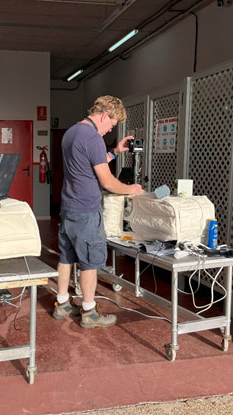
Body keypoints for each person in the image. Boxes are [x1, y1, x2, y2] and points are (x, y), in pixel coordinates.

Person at [53, 95, 144, 329]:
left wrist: (115, 151)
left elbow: (91, 162)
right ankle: (89, 312)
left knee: (66, 257)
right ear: (105, 116)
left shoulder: (72, 133)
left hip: (69, 208)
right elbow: (108, 182)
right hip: (86, 210)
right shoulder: (93, 138)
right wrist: (131, 190)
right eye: (111, 125)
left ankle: (62, 303)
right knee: (89, 263)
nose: (108, 130)